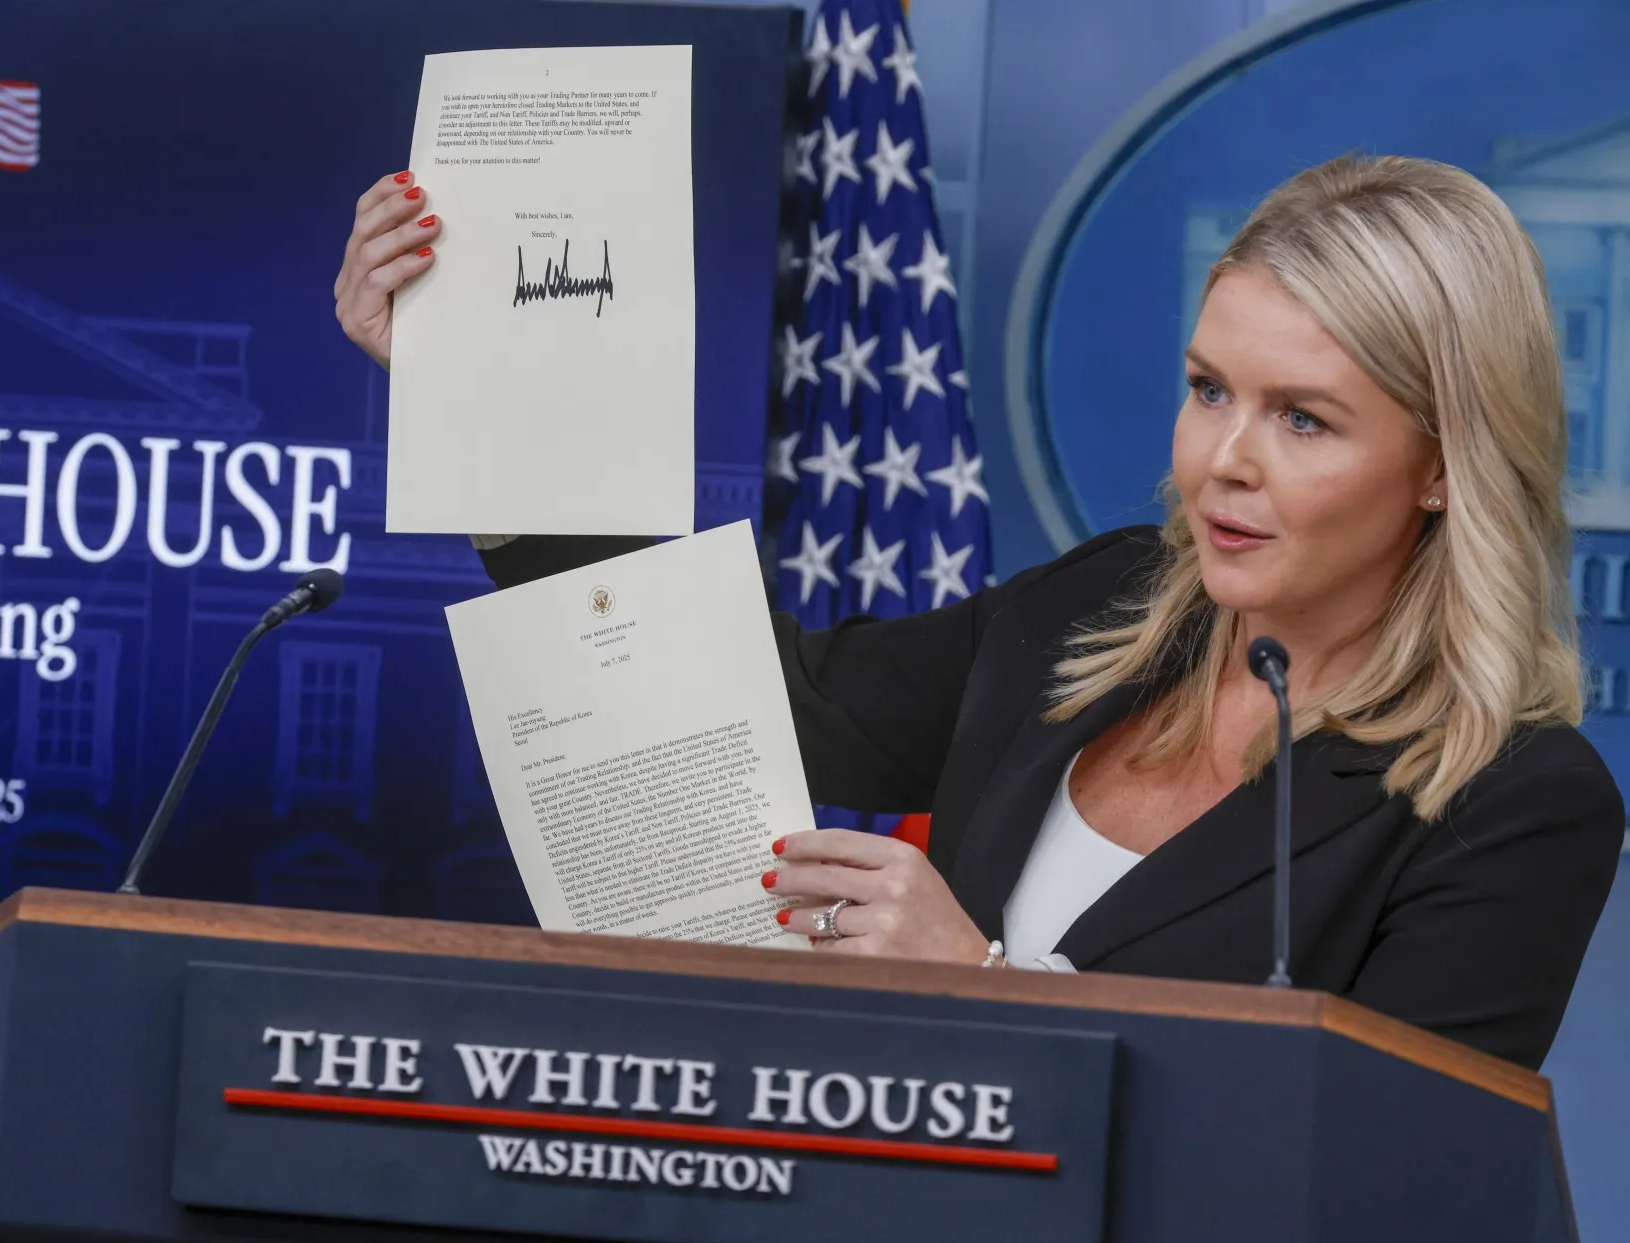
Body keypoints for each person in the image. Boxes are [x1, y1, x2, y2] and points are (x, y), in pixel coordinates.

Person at [336, 155, 1622, 1071]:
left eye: (1301, 417)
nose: (1221, 459)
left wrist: (986, 989)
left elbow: (1365, 1188)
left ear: (1442, 464)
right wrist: (476, 408)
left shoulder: (1518, 803)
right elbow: (754, 700)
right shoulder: (1101, 603)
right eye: (1206, 389)